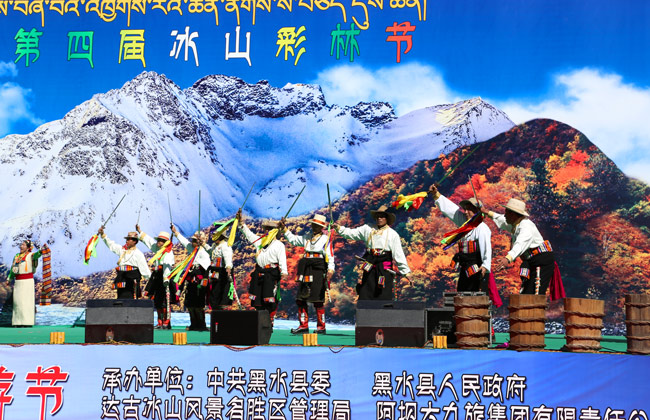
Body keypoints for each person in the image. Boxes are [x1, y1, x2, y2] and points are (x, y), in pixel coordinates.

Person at [484, 198, 563, 297]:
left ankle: (535, 306)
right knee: (526, 293)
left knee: (535, 295)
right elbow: (501, 219)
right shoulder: (516, 223)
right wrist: (486, 212)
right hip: (532, 261)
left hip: (541, 262)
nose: (505, 215)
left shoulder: (526, 227)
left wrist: (508, 258)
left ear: (513, 214)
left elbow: (520, 244)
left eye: (507, 213)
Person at [335, 205, 411, 300]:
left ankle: (382, 308)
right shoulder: (367, 228)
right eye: (378, 216)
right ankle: (366, 307)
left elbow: (398, 254)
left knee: (383, 291)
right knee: (367, 289)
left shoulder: (393, 234)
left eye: (382, 216)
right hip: (370, 264)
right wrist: (339, 228)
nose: (379, 218)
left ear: (387, 218)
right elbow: (351, 233)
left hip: (384, 266)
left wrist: (406, 272)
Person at [429, 185, 492, 292]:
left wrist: (485, 266)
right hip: (464, 266)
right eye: (465, 209)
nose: (466, 212)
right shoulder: (465, 223)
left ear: (477, 211)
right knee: (462, 292)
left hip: (476, 267)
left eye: (469, 210)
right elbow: (451, 210)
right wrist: (436, 195)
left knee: (473, 293)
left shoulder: (482, 228)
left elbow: (486, 248)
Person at [279, 214, 334, 334]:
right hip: (306, 269)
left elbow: (330, 255)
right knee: (301, 298)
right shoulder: (307, 237)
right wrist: (284, 229)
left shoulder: (325, 239)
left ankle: (321, 327)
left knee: (318, 299)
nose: (314, 227)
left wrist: (330, 270)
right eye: (313, 225)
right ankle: (303, 325)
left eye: (317, 225)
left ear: (322, 227)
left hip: (318, 268)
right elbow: (293, 240)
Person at [237, 210, 288, 327]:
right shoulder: (259, 242)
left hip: (271, 274)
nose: (267, 231)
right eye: (266, 229)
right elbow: (249, 234)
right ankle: (259, 320)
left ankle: (269, 321)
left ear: (275, 231)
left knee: (269, 298)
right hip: (259, 272)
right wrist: (241, 223)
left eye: (270, 229)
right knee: (257, 298)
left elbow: (282, 260)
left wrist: (284, 272)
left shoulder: (279, 245)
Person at [171, 224, 211, 331]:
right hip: (190, 282)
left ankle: (201, 324)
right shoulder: (192, 250)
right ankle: (193, 324)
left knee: (198, 305)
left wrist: (203, 284)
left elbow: (206, 269)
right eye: (192, 240)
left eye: (195, 241)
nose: (192, 242)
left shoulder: (204, 253)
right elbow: (184, 242)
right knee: (190, 304)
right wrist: (176, 233)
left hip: (199, 283)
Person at [136, 226, 177, 329]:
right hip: (158, 277)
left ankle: (166, 321)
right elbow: (149, 241)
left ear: (165, 242)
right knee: (158, 300)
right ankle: (159, 321)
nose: (159, 242)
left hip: (165, 277)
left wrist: (166, 279)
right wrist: (140, 231)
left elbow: (167, 266)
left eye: (161, 241)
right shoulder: (158, 249)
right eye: (158, 240)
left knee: (165, 301)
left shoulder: (168, 252)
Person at [98, 227, 151, 299]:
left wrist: (151, 282)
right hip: (122, 279)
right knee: (121, 299)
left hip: (132, 281)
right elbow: (112, 245)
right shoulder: (122, 250)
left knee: (131, 300)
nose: (127, 241)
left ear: (134, 241)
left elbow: (144, 269)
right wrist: (103, 234)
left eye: (129, 239)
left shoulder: (138, 254)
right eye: (127, 239)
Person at [7, 240, 47, 327]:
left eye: (23, 245)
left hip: (27, 282)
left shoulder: (31, 255)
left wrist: (41, 251)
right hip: (18, 282)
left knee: (26, 302)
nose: (21, 246)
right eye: (21, 245)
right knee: (18, 302)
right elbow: (13, 268)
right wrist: (9, 278)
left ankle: (27, 322)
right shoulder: (17, 256)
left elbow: (37, 255)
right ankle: (17, 322)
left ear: (28, 247)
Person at [204, 228, 234, 310]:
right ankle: (215, 307)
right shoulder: (215, 246)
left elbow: (227, 257)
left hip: (222, 273)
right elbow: (211, 252)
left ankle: (221, 310)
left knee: (221, 293)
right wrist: (203, 244)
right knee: (214, 293)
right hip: (215, 272)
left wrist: (228, 267)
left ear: (221, 236)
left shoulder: (225, 246)